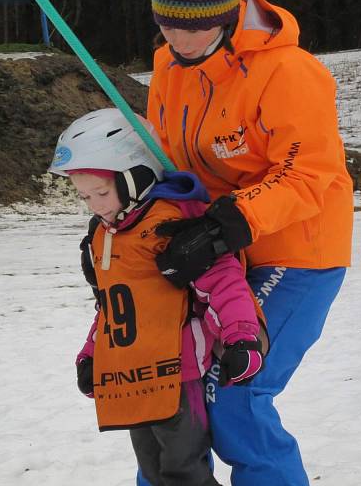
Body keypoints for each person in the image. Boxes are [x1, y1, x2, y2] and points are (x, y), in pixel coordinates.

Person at [143, 0, 355, 486]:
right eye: (168, 28)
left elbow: (310, 173)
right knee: (173, 387)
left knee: (236, 391)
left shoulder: (287, 72)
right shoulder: (170, 65)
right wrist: (130, 223)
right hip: (222, 250)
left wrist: (230, 221)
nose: (180, 43)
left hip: (296, 251)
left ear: (226, 16)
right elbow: (172, 165)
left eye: (195, 30)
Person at [49, 108, 268, 486]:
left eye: (101, 192)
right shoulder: (107, 234)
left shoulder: (172, 227)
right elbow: (113, 306)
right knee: (153, 472)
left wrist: (242, 337)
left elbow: (225, 284)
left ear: (136, 176)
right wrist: (92, 356)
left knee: (184, 472)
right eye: (86, 197)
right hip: (129, 378)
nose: (96, 204)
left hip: (176, 375)